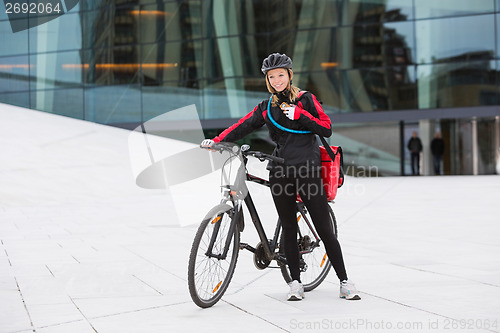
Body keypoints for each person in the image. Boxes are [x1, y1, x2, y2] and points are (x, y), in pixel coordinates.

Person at [201, 53, 360, 301]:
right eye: (271, 76)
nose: (276, 80)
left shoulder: (306, 99)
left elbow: (326, 127)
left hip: (307, 170)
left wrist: (300, 115)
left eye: (280, 75)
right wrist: (218, 140)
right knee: (287, 225)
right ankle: (295, 283)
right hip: (280, 170)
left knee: (324, 229)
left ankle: (344, 281)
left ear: (289, 75)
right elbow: (243, 125)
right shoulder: (266, 107)